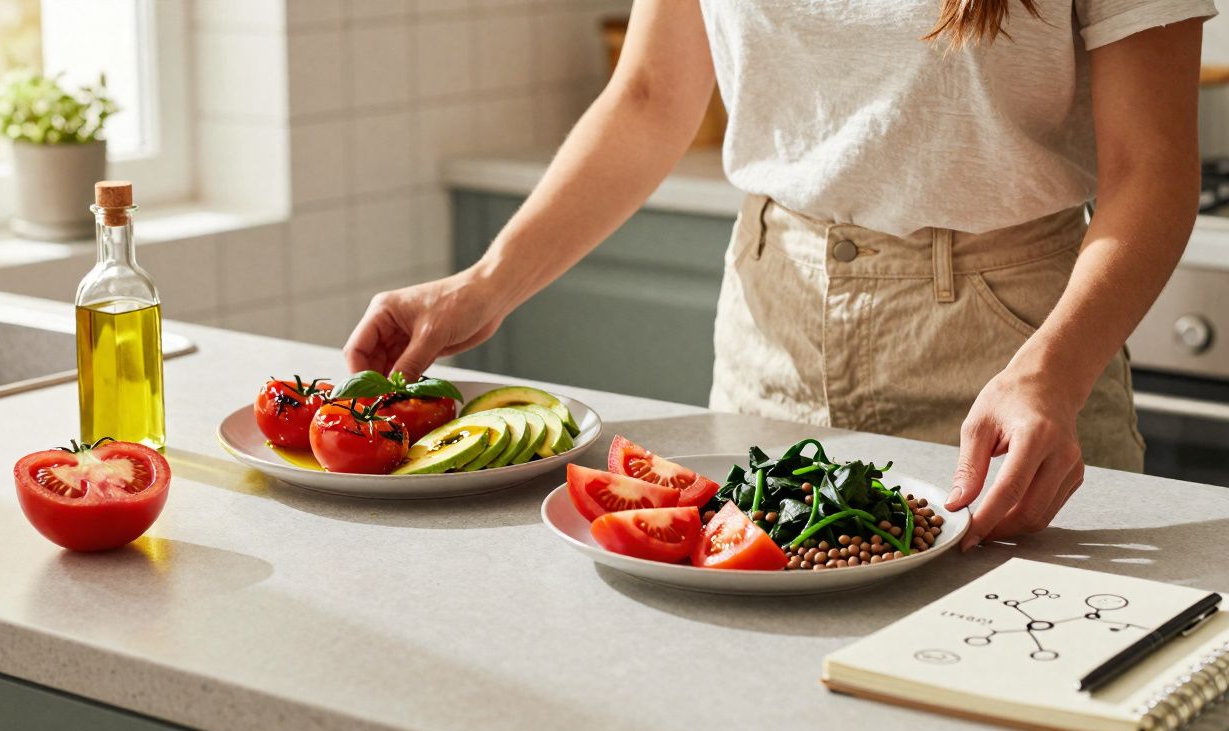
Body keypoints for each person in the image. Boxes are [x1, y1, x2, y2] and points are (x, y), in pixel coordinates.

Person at [343, 0, 1214, 550]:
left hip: (1010, 344)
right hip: (772, 326)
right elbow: (650, 96)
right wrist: (485, 282)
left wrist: (1050, 371)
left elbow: (1154, 170)